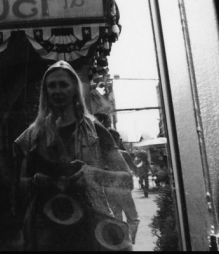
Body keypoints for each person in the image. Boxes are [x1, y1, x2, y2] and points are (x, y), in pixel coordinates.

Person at [14, 60, 134, 251]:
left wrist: (92, 174)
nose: (57, 90)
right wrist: (37, 181)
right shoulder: (32, 136)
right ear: (45, 92)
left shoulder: (96, 131)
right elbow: (17, 184)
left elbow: (127, 180)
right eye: (51, 86)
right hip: (45, 232)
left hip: (89, 228)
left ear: (74, 89)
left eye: (63, 84)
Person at [94, 113, 141, 244]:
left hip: (108, 188)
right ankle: (129, 241)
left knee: (116, 216)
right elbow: (129, 171)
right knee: (133, 218)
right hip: (122, 189)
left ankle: (119, 241)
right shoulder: (123, 154)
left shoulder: (100, 155)